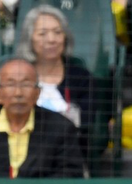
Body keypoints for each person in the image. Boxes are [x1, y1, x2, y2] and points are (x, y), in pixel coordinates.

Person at [0, 58, 84, 178]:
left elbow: (70, 174)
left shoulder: (61, 128)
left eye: (26, 84)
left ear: (37, 93)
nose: (18, 93)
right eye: (10, 84)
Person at [15, 4, 96, 160]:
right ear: (29, 38)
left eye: (57, 32)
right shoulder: (17, 75)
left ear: (65, 37)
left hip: (68, 155)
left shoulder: (82, 78)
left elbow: (86, 125)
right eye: (42, 33)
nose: (51, 39)